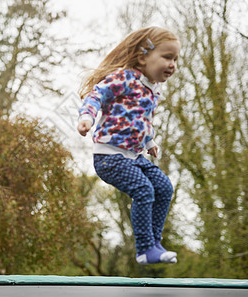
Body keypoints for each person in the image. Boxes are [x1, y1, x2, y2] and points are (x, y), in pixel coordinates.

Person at [77, 26, 180, 265]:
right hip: (109, 157)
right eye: (167, 57)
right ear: (143, 57)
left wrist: (150, 141)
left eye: (175, 59)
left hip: (133, 155)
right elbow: (95, 95)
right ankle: (145, 249)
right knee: (144, 190)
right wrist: (87, 118)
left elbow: (141, 119)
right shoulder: (124, 78)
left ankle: (154, 243)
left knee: (164, 187)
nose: (172, 64)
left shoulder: (154, 89)